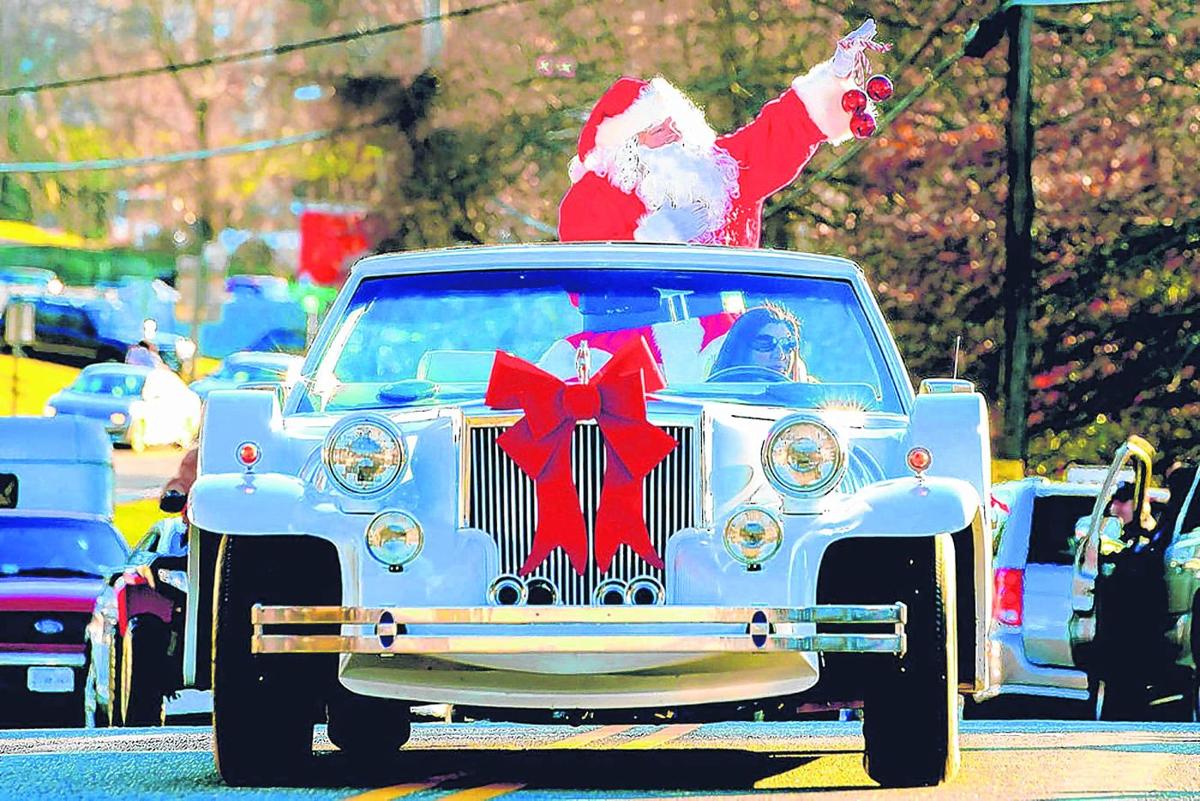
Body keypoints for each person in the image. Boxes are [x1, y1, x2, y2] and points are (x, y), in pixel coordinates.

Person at [558, 19, 891, 246]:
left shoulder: (722, 171)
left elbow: (777, 134)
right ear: (628, 145)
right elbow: (589, 289)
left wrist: (837, 72)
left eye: (674, 121)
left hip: (733, 337)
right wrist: (657, 247)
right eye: (655, 128)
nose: (671, 133)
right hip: (640, 344)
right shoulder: (591, 200)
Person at [709, 304, 808, 381]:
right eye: (765, 343)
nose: (780, 355)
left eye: (787, 345)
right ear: (741, 350)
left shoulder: (814, 402)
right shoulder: (709, 400)